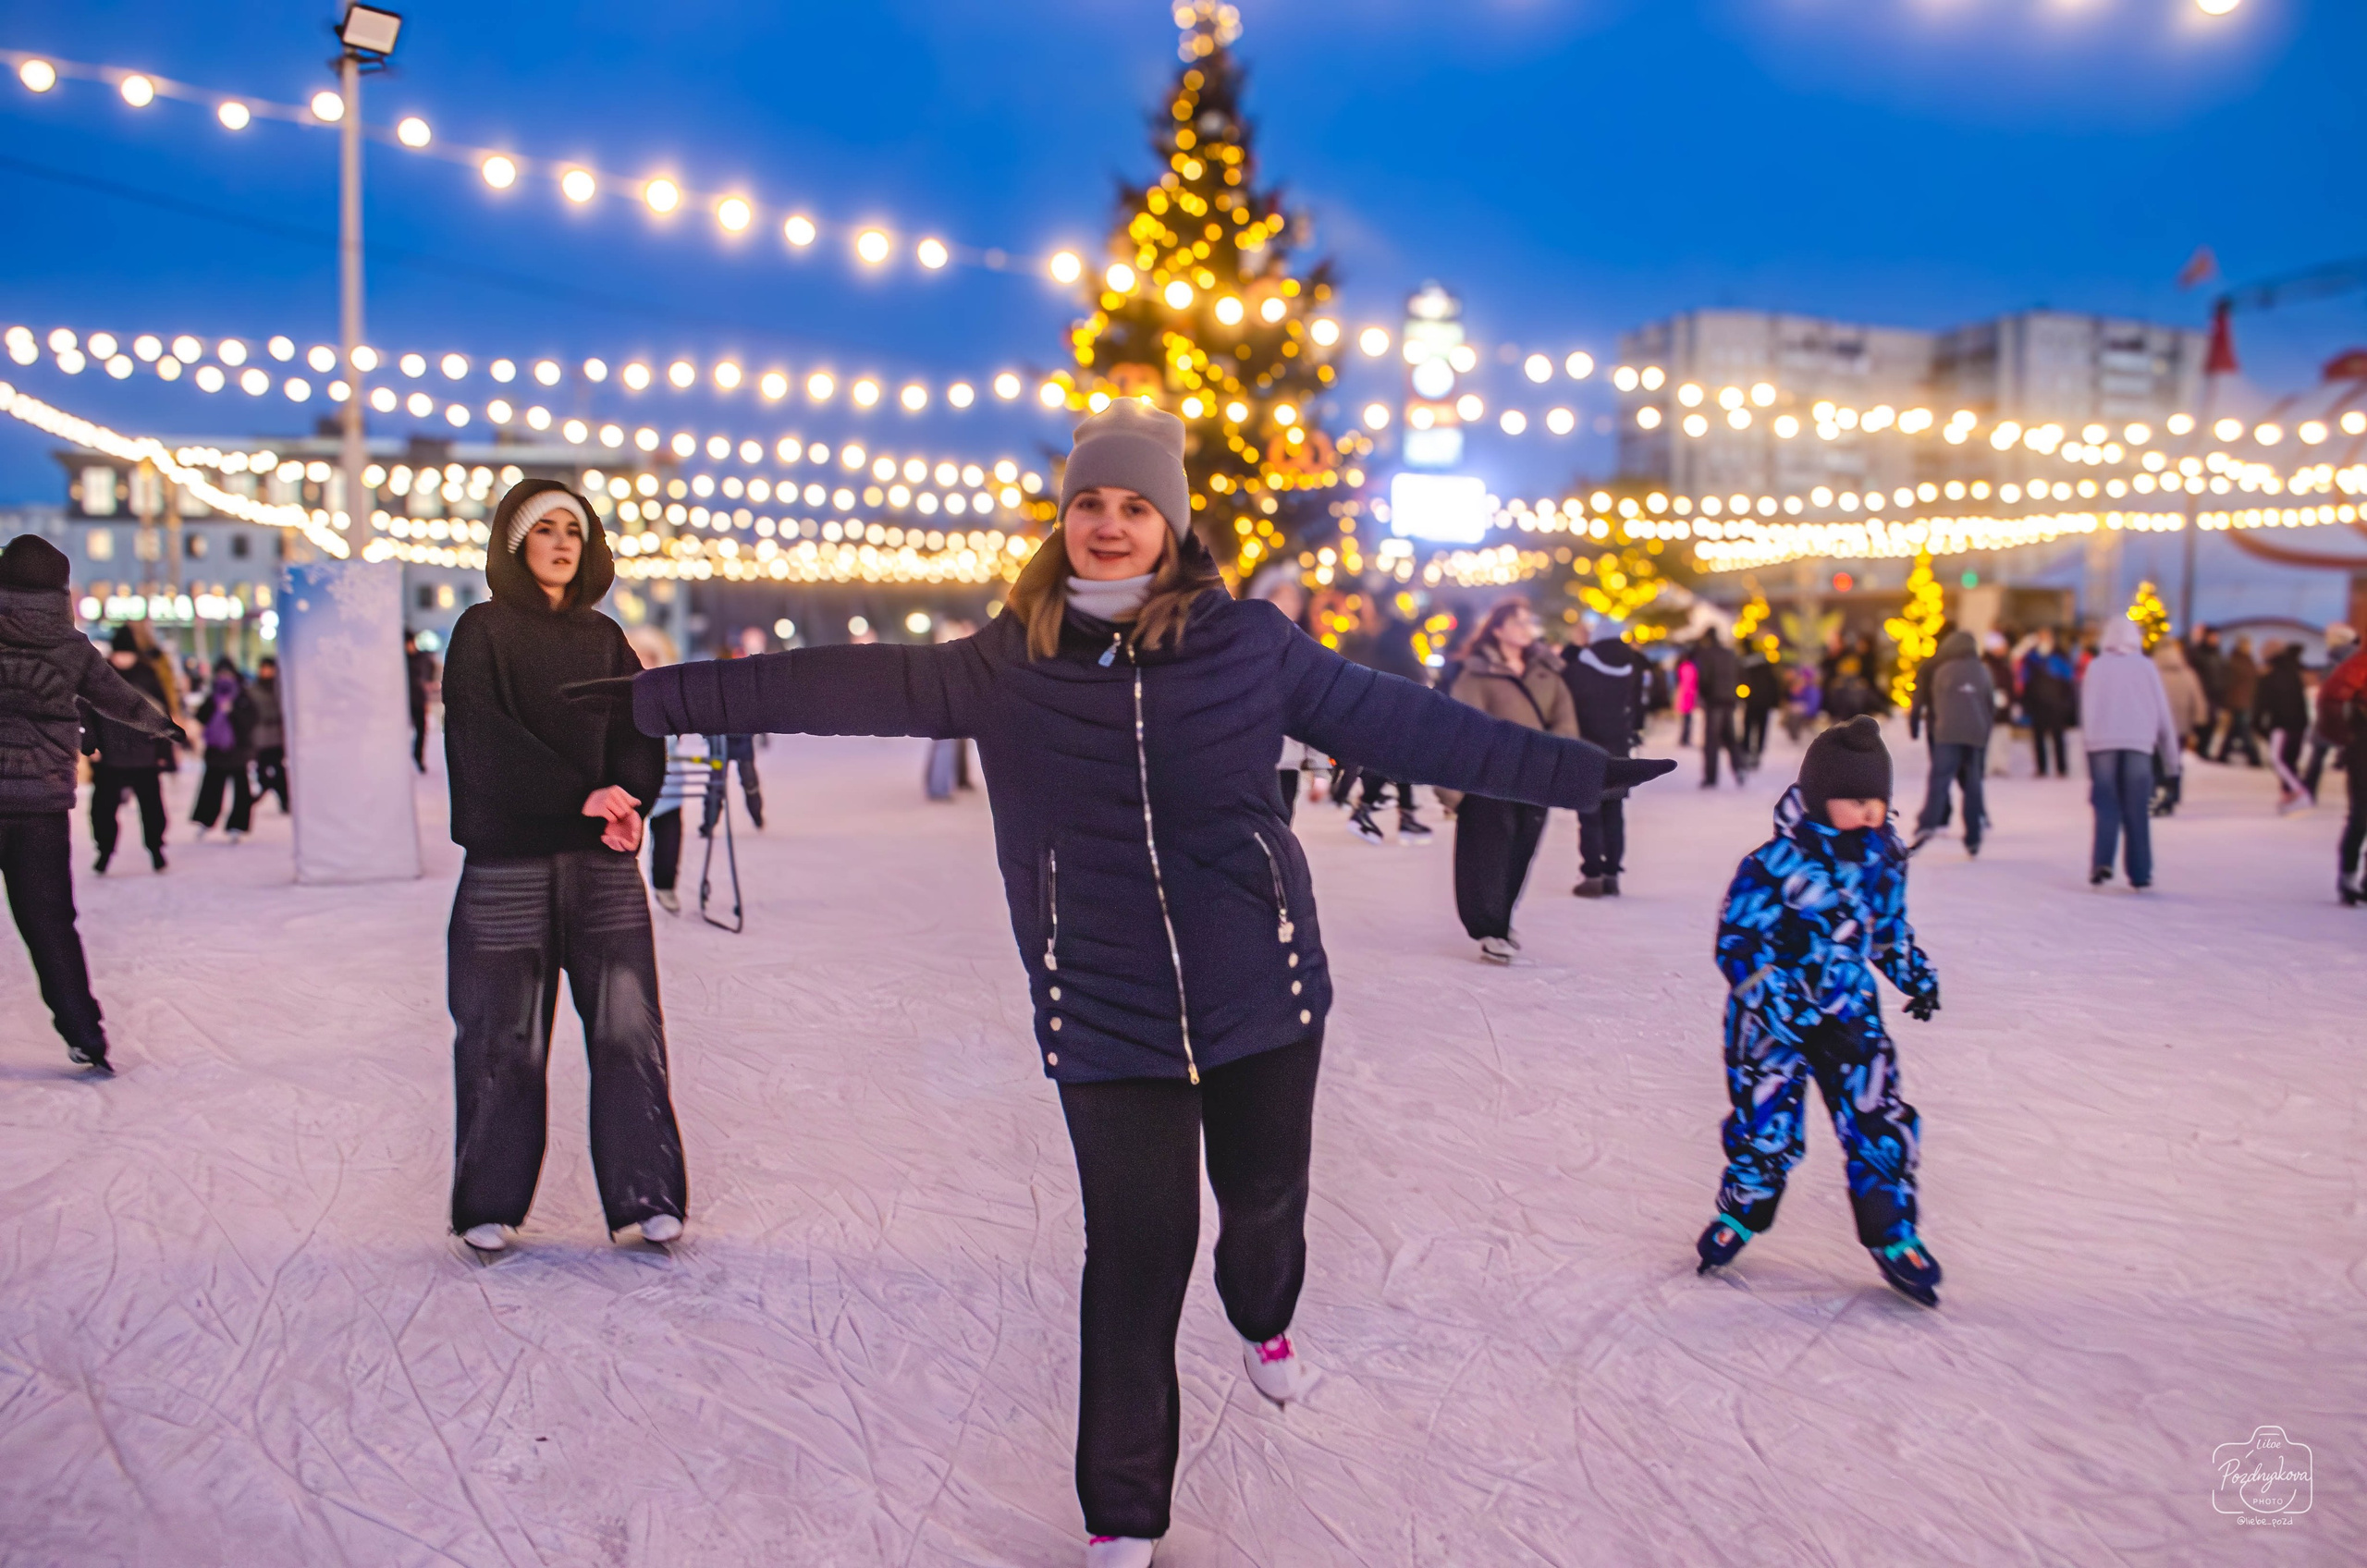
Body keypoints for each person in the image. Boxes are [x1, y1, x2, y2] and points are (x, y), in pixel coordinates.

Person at [572, 402, 1674, 1565]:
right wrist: (655, 698)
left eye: (1133, 505)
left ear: (1170, 525)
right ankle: (1123, 1511)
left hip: (1261, 979)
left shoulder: (1251, 644)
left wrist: (1582, 776)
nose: (1108, 524)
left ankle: (1264, 1314)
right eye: (1090, 504)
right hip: (1100, 995)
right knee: (1138, 1247)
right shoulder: (1008, 663)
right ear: (1066, 520)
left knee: (1260, 1206)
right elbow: (835, 686)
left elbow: (1410, 725)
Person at [441, 480, 683, 1256]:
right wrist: (583, 793)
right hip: (508, 864)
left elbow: (638, 724)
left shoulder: (603, 637)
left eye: (572, 530)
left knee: (626, 1027)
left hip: (599, 866)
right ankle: (490, 1200)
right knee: (501, 1036)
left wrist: (630, 798)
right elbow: (481, 739)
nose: (561, 542)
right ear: (516, 544)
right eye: (543, 529)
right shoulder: (481, 632)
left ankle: (647, 1192)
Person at [1695, 717, 1944, 1306]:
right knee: (1765, 1126)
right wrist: (1798, 1018)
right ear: (1816, 799)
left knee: (1877, 1119)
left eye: (1876, 802)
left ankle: (1892, 1231)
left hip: (1851, 1018)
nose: (1867, 814)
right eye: (1853, 802)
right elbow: (1740, 950)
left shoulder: (1881, 860)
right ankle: (1745, 1209)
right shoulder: (1772, 866)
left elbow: (1886, 931)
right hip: (1771, 1029)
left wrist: (1916, 975)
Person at [0, 535, 182, 1072]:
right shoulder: (71, 648)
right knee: (50, 922)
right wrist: (162, 725)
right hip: (41, 805)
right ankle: (85, 1034)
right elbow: (118, 697)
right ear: (60, 589)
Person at [1440, 600, 1580, 962]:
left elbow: (1564, 719)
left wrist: (1560, 759)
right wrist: (1452, 787)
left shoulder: (1548, 671)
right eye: (1515, 621)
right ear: (1498, 630)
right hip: (1491, 778)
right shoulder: (1477, 674)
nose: (1524, 627)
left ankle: (1502, 916)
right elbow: (1462, 726)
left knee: (1522, 849)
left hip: (1536, 776)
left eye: (1527, 621)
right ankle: (1491, 927)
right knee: (1489, 853)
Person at [2079, 617, 2182, 889]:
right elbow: (2162, 714)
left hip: (2101, 743)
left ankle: (2101, 862)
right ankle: (2139, 872)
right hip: (2139, 744)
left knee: (2105, 804)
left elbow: (2087, 710)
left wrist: (2087, 749)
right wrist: (2172, 761)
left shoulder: (2096, 667)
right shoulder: (2146, 667)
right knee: (2136, 808)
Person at [1562, 620, 1647, 897]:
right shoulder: (1632, 666)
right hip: (1619, 748)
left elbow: (1564, 693)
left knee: (1589, 815)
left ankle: (1592, 876)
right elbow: (1636, 706)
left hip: (1586, 748)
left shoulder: (1579, 670)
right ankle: (1612, 874)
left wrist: (1573, 649)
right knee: (1614, 814)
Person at [86, 625, 180, 873]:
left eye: (127, 654)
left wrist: (163, 754)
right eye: (119, 654)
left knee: (152, 809)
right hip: (111, 758)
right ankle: (104, 851)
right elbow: (87, 712)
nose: (123, 659)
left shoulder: (147, 676)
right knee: (102, 810)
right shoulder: (101, 676)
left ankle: (156, 849)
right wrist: (91, 745)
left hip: (144, 756)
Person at [1345, 600, 1436, 844]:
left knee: (1398, 760)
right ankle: (1365, 812)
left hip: (1394, 702)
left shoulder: (1384, 638)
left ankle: (1404, 818)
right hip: (1396, 704)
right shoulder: (1385, 638)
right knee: (1394, 761)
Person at [1907, 630, 1994, 856]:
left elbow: (1934, 702)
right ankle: (1973, 837)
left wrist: (1919, 724)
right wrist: (1985, 734)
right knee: (1973, 783)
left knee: (1940, 778)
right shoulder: (1982, 671)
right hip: (1975, 734)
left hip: (1946, 734)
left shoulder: (1941, 670)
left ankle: (1928, 824)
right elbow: (1989, 704)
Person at [2315, 633, 2367, 904]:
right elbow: (2331, 697)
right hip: (2363, 744)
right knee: (2362, 813)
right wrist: (2344, 735)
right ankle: (2347, 875)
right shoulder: (2361, 663)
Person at [189, 657, 258, 844]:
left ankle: (238, 824)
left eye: (227, 673)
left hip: (237, 751)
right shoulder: (212, 697)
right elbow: (200, 718)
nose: (224, 678)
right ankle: (205, 820)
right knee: (211, 788)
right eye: (221, 674)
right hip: (216, 752)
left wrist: (232, 712)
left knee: (241, 790)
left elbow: (250, 722)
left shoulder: (243, 697)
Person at [2151, 638, 2210, 815]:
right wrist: (2200, 720)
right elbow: (2198, 699)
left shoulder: (2152, 673)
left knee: (2156, 761)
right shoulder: (2188, 673)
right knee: (2174, 760)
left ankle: (2157, 792)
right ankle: (2174, 793)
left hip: (2156, 725)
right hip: (2181, 726)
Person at [2254, 643, 2312, 812]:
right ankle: (2288, 795)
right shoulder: (2294, 672)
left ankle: (2299, 792)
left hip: (2280, 724)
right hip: (2299, 723)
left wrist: (2259, 726)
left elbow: (2261, 703)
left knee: (2278, 760)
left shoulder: (2269, 675)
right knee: (2290, 760)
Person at [2017, 628, 2077, 778]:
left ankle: (2061, 768)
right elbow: (2024, 679)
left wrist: (2066, 702)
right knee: (2038, 738)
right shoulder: (2031, 657)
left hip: (2056, 704)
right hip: (2037, 704)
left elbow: (2069, 678)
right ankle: (2041, 767)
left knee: (2058, 737)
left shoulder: (2059, 655)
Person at [1693, 628, 1745, 787]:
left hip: (1714, 700)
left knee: (1711, 740)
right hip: (1729, 699)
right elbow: (1739, 675)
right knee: (1730, 737)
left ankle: (1711, 777)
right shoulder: (1730, 654)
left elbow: (1704, 678)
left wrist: (1704, 695)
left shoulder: (1706, 654)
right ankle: (1739, 769)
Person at [249, 655, 288, 815]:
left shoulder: (280, 689)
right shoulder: (253, 689)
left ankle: (284, 800)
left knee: (279, 770)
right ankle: (266, 788)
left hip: (277, 738)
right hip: (260, 737)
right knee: (262, 771)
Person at [2216, 635, 2262, 766]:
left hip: (2244, 700)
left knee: (2236, 729)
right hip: (2239, 701)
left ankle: (2223, 754)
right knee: (2244, 729)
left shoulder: (2246, 660)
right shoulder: (2236, 662)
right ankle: (2254, 757)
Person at [1737, 637, 1781, 768]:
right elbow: (1774, 684)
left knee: (1748, 727)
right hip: (1765, 702)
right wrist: (1774, 702)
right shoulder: (1767, 664)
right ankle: (1757, 754)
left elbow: (1742, 683)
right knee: (1761, 729)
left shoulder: (1745, 665)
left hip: (1751, 701)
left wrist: (1742, 698)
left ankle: (1746, 752)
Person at [406, 630, 439, 774]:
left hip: (418, 700)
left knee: (421, 730)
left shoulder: (421, 657)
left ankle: (417, 757)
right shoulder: (401, 659)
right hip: (406, 702)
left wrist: (429, 682)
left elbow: (431, 666)